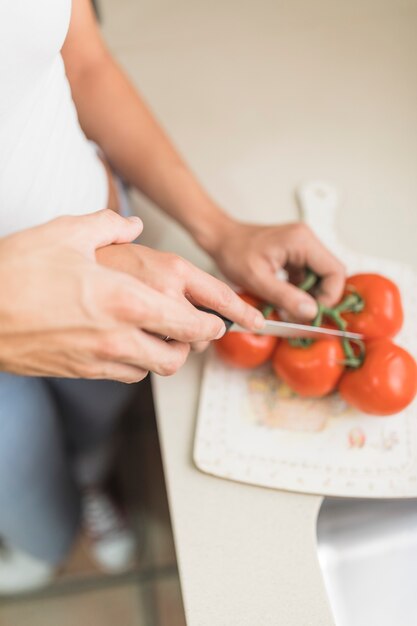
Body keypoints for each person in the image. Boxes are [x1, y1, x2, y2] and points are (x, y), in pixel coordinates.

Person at [0, 0, 345, 593]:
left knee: (94, 429)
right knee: (21, 487)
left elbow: (83, 62)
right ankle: (40, 548)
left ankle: (90, 483)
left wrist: (219, 229)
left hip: (112, 267)